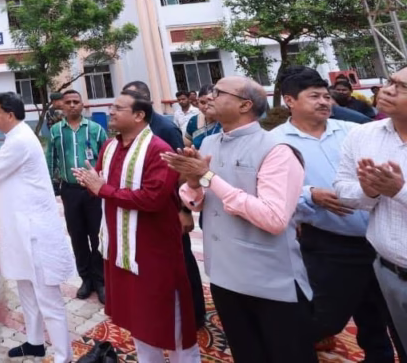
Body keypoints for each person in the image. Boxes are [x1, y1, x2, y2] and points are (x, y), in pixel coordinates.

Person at [165, 76, 316, 363]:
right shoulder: (209, 143)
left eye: (219, 92)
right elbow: (197, 202)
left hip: (270, 279)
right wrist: (194, 182)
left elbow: (273, 218)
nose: (209, 97)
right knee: (246, 352)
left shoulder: (276, 149)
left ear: (245, 105)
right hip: (224, 273)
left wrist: (208, 176)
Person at [272, 72, 401, 361]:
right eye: (314, 97)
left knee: (380, 316)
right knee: (323, 317)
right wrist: (310, 194)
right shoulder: (274, 142)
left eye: (326, 96)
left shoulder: (354, 131)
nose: (324, 102)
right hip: (328, 244)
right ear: (290, 101)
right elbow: (271, 190)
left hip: (380, 239)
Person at [73, 90, 199, 362]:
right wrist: (91, 183)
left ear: (139, 115)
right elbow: (103, 184)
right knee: (139, 318)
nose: (110, 111)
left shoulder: (158, 150)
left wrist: (102, 189)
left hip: (153, 250)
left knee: (170, 317)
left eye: (118, 108)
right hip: (122, 250)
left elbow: (153, 199)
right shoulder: (110, 147)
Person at [0, 92, 75, 363]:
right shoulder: (16, 138)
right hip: (21, 231)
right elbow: (1, 158)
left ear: (10, 114)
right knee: (27, 291)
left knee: (47, 299)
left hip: (35, 233)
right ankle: (35, 343)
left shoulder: (21, 140)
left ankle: (63, 356)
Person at [121, 79, 205, 328]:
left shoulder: (165, 129)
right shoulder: (132, 131)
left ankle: (195, 314)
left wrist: (184, 210)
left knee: (182, 262)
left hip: (172, 209)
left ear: (145, 102)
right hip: (148, 209)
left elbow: (182, 171)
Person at [334, 68, 407, 347]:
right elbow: (343, 190)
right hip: (388, 271)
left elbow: (398, 191)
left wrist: (399, 191)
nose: (387, 90)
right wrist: (368, 190)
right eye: (390, 82)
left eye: (402, 87)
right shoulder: (362, 135)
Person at [46, 89, 108, 302]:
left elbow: (107, 158)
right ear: (62, 106)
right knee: (77, 235)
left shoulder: (96, 130)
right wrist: (51, 186)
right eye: (68, 102)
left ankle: (100, 280)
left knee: (97, 235)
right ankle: (86, 279)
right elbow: (50, 160)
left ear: (82, 105)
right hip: (70, 191)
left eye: (76, 101)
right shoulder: (56, 131)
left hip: (94, 191)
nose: (72, 105)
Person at [185, 85, 221, 150]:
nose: (206, 107)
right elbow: (187, 146)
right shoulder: (193, 121)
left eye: (210, 102)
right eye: (202, 102)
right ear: (198, 101)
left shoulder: (227, 120)